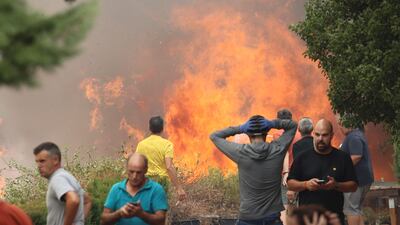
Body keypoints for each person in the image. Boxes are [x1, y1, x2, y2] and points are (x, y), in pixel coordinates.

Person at [210, 112, 297, 225]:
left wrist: (240, 128)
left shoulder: (240, 152)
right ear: (266, 134)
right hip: (272, 218)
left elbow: (214, 136)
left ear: (248, 135)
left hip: (248, 218)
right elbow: (293, 125)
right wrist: (272, 123)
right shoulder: (278, 150)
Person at [287, 119, 358, 225]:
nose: (320, 139)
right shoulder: (302, 157)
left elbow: (353, 185)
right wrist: (306, 184)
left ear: (331, 135)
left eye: (325, 135)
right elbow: (290, 183)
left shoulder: (343, 158)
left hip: (334, 219)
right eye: (317, 134)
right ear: (313, 134)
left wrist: (336, 185)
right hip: (308, 220)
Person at [100, 153, 168, 225]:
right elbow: (103, 221)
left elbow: (161, 221)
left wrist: (141, 214)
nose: (134, 176)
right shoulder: (116, 189)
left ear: (146, 170)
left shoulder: (156, 189)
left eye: (138, 172)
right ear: (127, 169)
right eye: (131, 172)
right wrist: (119, 213)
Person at [33, 142, 92, 225]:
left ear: (55, 160)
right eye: (37, 162)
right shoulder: (67, 176)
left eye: (42, 161)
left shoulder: (58, 178)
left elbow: (73, 200)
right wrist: (78, 222)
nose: (39, 165)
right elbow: (87, 201)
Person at [136, 116, 186, 200]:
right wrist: (179, 188)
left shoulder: (141, 144)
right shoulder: (167, 144)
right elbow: (169, 167)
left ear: (150, 128)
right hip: (161, 183)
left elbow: (136, 164)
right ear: (162, 128)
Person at [339, 124, 374, 225]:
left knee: (351, 210)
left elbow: (356, 156)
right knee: (357, 209)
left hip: (355, 181)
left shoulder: (353, 137)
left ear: (348, 123)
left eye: (340, 124)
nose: (340, 127)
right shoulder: (358, 134)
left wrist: (341, 168)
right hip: (363, 180)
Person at [286, 118, 314, 211]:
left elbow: (297, 165)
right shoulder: (317, 143)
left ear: (299, 130)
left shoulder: (297, 146)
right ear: (312, 129)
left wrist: (294, 185)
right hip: (318, 180)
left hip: (303, 183)